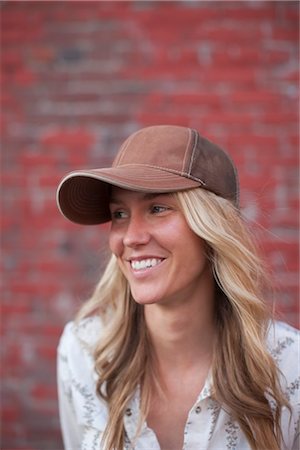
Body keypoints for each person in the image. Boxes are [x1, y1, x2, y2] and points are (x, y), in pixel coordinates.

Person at [56, 125, 299, 450]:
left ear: (212, 227)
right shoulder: (82, 353)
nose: (131, 237)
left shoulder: (289, 366)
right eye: (119, 213)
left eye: (157, 209)